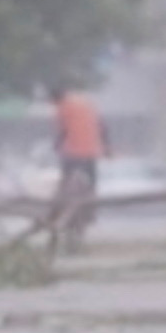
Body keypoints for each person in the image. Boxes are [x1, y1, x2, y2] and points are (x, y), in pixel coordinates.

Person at [47, 85, 106, 254]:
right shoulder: (87, 103)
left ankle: (56, 211)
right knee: (92, 185)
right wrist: (106, 146)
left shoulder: (62, 108)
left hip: (72, 153)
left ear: (56, 99)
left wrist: (56, 145)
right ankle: (92, 210)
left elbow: (63, 132)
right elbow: (101, 126)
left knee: (65, 184)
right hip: (91, 153)